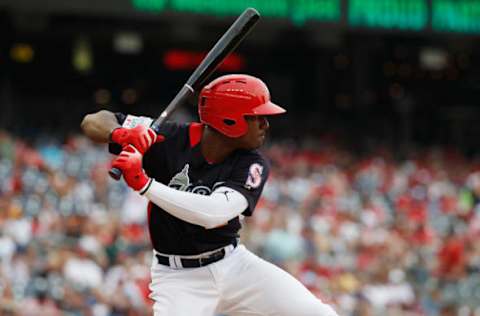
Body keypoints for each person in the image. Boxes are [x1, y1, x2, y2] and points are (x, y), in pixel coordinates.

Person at [81, 74, 338, 316]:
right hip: (178, 278)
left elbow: (213, 214)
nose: (265, 124)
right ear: (229, 120)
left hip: (234, 265)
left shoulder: (252, 162)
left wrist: (145, 185)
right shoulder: (169, 137)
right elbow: (93, 120)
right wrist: (122, 134)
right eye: (257, 117)